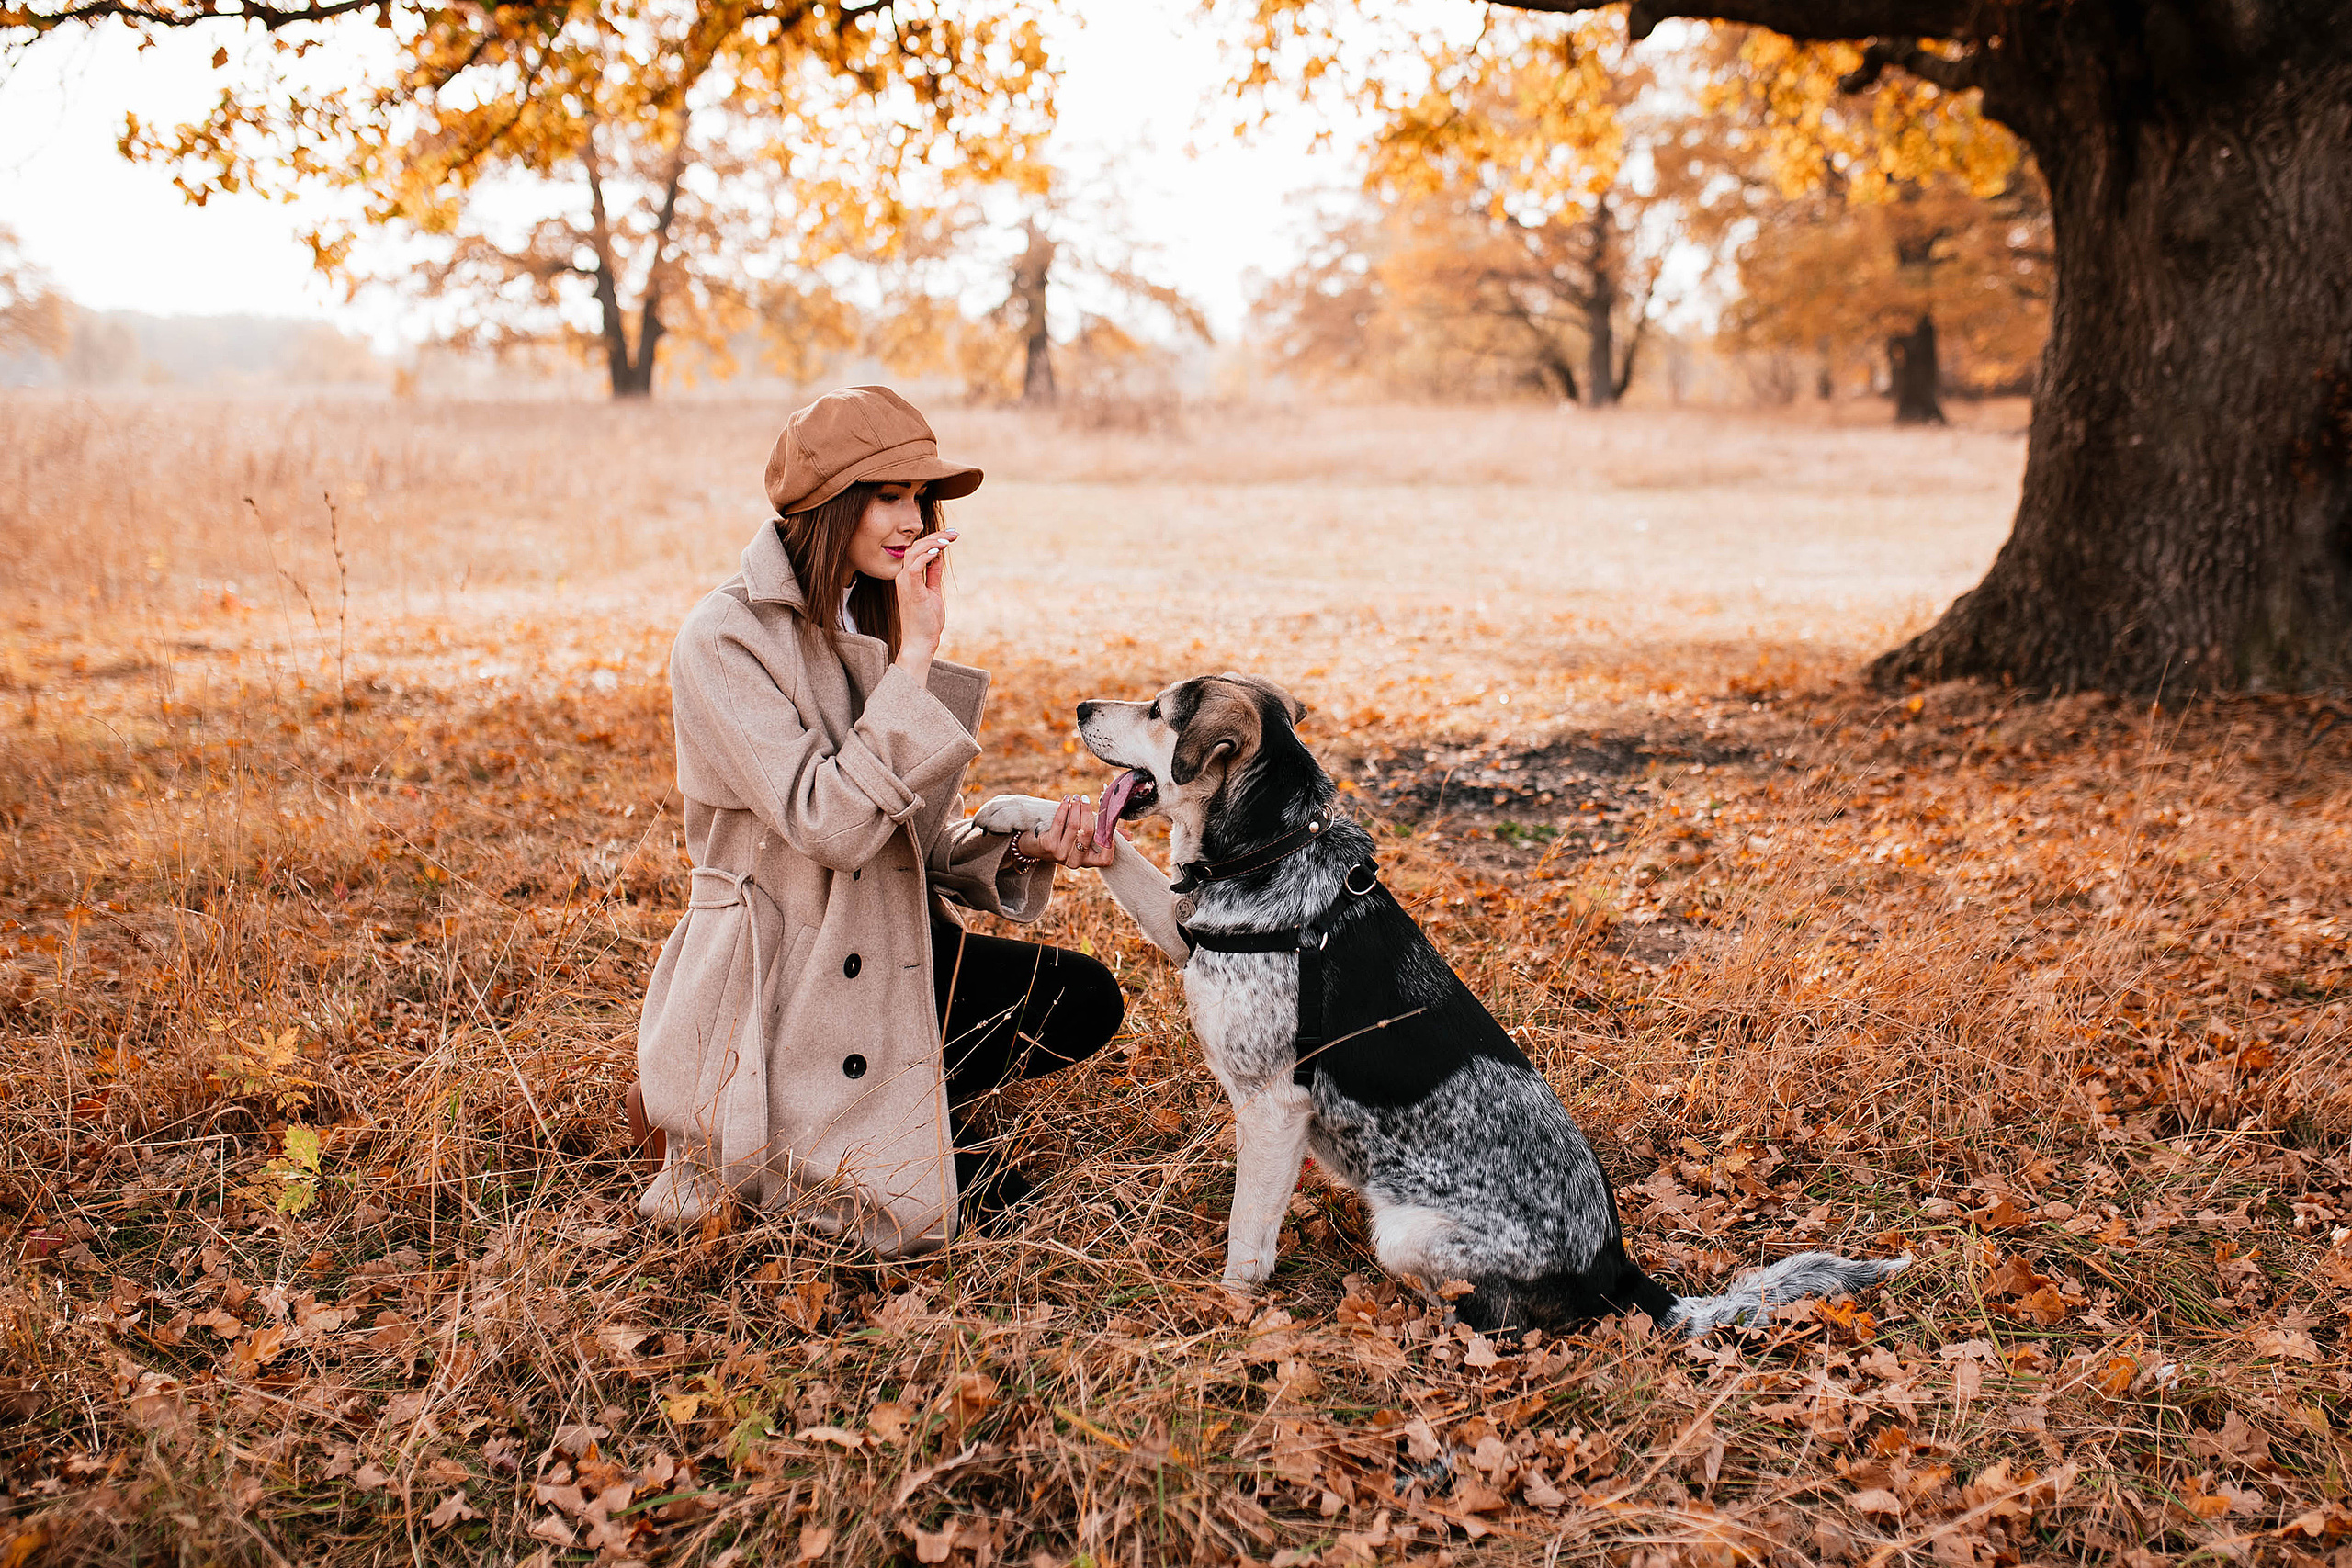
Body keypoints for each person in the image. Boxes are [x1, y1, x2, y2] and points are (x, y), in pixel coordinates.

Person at [624, 385, 1124, 1254]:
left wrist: (1030, 841)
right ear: (830, 502)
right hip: (785, 970)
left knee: (1083, 999)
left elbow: (912, 843)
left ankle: (881, 1112)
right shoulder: (724, 638)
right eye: (888, 495)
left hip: (886, 942)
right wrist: (919, 658)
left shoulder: (873, 615)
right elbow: (832, 824)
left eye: (919, 499)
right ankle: (737, 1117)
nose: (912, 519)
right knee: (957, 1205)